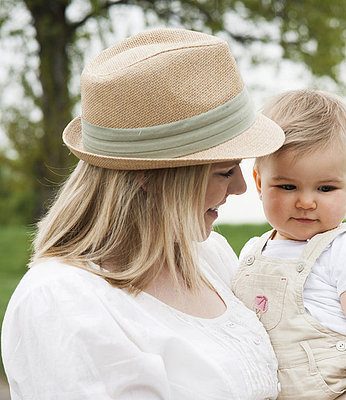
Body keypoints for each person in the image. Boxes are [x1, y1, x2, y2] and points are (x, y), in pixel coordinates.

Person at [1, 28, 286, 399]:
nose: (240, 188)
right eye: (223, 171)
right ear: (152, 178)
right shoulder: (63, 301)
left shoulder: (208, 255)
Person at [232, 90, 346, 400]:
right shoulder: (253, 252)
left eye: (325, 188)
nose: (306, 201)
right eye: (288, 186)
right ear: (258, 183)